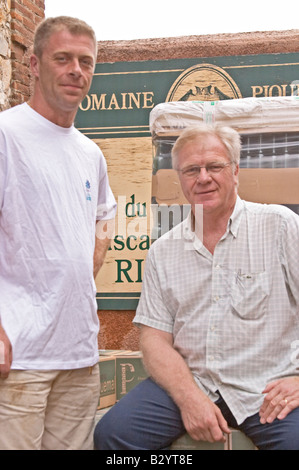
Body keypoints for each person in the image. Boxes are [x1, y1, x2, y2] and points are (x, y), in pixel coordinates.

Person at [94, 123, 299, 450]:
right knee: (113, 436)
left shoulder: (279, 226)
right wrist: (189, 397)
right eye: (192, 169)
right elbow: (154, 338)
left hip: (266, 388)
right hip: (193, 380)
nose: (203, 177)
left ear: (235, 171)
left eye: (214, 166)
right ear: (180, 179)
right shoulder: (163, 251)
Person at [0, 16, 116, 450]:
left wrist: (85, 267)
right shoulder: (7, 134)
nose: (76, 71)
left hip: (78, 352)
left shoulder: (90, 153)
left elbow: (105, 216)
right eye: (63, 58)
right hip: (19, 358)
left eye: (86, 62)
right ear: (33, 64)